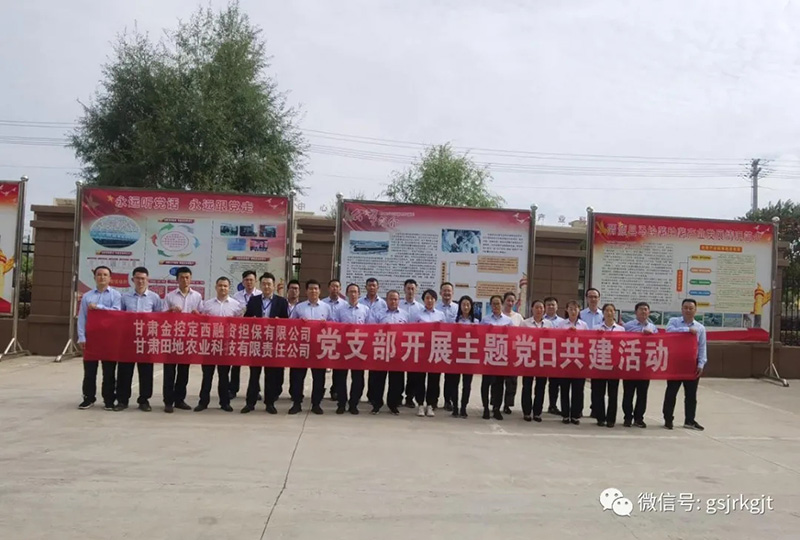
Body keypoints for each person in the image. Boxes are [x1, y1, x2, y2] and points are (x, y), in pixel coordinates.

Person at [240, 272, 290, 414]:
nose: (266, 286)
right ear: (260, 285)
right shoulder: (254, 300)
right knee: (254, 375)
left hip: (272, 343)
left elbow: (287, 321)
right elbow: (246, 318)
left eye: (269, 284)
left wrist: (279, 321)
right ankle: (250, 403)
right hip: (256, 342)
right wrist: (252, 320)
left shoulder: (281, 302)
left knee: (270, 375)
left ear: (273, 286)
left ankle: (270, 403)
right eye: (264, 284)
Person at [116, 266, 162, 412]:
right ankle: (122, 400)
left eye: (143, 278)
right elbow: (118, 317)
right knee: (124, 371)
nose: (140, 281)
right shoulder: (124, 297)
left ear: (148, 280)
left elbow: (159, 318)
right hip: (128, 339)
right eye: (137, 278)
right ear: (133, 280)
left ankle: (144, 400)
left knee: (146, 371)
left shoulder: (154, 298)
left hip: (146, 340)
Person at [195, 277, 244, 412]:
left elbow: (239, 325)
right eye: (220, 285)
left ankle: (225, 402)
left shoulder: (236, 305)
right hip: (210, 344)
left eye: (225, 286)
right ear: (216, 287)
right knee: (207, 375)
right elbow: (202, 323)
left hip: (226, 345)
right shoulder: (207, 304)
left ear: (229, 288)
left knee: (224, 376)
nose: (223, 288)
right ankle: (203, 402)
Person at [77, 265, 122, 410]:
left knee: (109, 371)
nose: (102, 277)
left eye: (105, 275)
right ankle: (88, 398)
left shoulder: (116, 295)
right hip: (91, 338)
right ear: (94, 277)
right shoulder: (87, 296)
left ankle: (109, 399)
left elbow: (117, 313)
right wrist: (81, 337)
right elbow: (82, 317)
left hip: (109, 339)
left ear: (110, 278)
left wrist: (99, 307)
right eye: (99, 274)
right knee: (90, 371)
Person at [162, 267, 203, 413]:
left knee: (183, 371)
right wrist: (171, 311)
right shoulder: (170, 296)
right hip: (172, 338)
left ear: (190, 279)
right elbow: (161, 316)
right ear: (177, 279)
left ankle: (179, 399)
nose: (184, 280)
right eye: (181, 277)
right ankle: (168, 401)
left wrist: (197, 314)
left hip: (188, 339)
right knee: (169, 371)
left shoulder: (197, 296)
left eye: (187, 277)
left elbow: (202, 317)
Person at [289, 279, 333, 414]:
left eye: (316, 289)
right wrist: (299, 323)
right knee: (297, 377)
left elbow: (334, 325)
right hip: (302, 348)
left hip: (319, 348)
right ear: (306, 291)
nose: (313, 291)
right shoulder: (299, 307)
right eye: (310, 289)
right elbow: (290, 325)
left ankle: (316, 404)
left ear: (319, 291)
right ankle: (297, 403)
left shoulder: (326, 307)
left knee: (319, 378)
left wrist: (326, 324)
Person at [663, 299, 707, 431]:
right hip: (675, 364)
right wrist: (687, 330)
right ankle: (668, 419)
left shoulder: (700, 328)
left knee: (691, 395)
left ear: (695, 310)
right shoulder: (674, 322)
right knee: (671, 393)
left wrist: (701, 364)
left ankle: (690, 420)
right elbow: (669, 332)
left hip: (691, 365)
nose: (688, 310)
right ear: (681, 309)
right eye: (685, 307)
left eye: (691, 308)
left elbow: (702, 347)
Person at [367, 290, 408, 415]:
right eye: (391, 299)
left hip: (398, 353)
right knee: (378, 380)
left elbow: (409, 332)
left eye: (395, 299)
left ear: (399, 301)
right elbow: (371, 331)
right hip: (381, 351)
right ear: (386, 300)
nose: (393, 301)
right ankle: (376, 404)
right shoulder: (378, 314)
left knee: (396, 381)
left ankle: (393, 404)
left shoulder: (405, 315)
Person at [332, 283, 370, 414]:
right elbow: (334, 326)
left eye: (355, 292)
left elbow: (370, 328)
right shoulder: (340, 310)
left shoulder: (365, 309)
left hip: (359, 349)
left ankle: (354, 404)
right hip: (343, 348)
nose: (353, 294)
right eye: (351, 292)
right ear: (347, 294)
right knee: (340, 378)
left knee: (358, 379)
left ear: (359, 294)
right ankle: (341, 404)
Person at [409, 289, 446, 417]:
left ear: (435, 300)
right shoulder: (417, 315)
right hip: (421, 351)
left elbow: (444, 332)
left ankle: (430, 405)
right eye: (427, 298)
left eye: (432, 298)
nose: (429, 300)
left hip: (435, 350)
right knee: (420, 379)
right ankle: (420, 404)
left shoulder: (441, 315)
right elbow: (412, 331)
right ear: (423, 300)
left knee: (434, 379)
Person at [622, 302, 658, 428]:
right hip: (630, 364)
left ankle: (639, 418)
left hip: (645, 365)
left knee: (642, 394)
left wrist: (651, 336)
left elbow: (658, 344)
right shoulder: (628, 326)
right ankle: (627, 417)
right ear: (635, 312)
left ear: (649, 312)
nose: (643, 312)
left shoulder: (653, 327)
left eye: (646, 309)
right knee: (628, 393)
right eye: (641, 309)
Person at [591, 303, 624, 428]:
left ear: (614, 313)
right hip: (599, 364)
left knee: (613, 394)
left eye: (611, 311)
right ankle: (600, 418)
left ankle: (611, 419)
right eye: (606, 311)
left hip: (614, 366)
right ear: (603, 313)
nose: (609, 313)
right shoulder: (596, 328)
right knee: (598, 393)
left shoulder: (620, 329)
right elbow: (590, 345)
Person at [444, 295, 478, 418]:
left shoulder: (476, 322)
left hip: (469, 356)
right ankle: (455, 407)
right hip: (456, 356)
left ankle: (463, 407)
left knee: (467, 385)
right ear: (460, 306)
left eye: (468, 305)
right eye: (463, 304)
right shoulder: (454, 321)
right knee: (454, 383)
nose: (466, 307)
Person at [231, 270, 262, 399]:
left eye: (251, 280)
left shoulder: (260, 295)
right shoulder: (236, 296)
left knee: (255, 364)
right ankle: (233, 389)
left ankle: (255, 390)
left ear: (255, 281)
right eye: (246, 280)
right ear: (243, 282)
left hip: (256, 334)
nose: (249, 282)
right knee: (236, 362)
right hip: (240, 333)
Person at [520, 299, 553, 422]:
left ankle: (537, 412)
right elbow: (519, 338)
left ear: (544, 310)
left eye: (541, 308)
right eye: (536, 307)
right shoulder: (525, 323)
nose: (539, 310)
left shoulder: (549, 324)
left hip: (543, 359)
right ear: (532, 309)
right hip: (528, 358)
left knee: (541, 386)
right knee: (527, 386)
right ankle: (527, 412)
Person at [480, 295, 512, 420]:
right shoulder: (485, 320)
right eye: (493, 304)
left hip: (501, 356)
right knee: (486, 383)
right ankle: (485, 408)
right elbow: (480, 336)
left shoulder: (508, 321)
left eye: (498, 303)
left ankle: (496, 408)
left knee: (499, 384)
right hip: (488, 355)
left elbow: (512, 338)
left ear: (502, 305)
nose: (496, 306)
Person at [557, 300, 589, 425]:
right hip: (565, 361)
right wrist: (567, 333)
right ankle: (565, 414)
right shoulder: (561, 324)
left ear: (579, 310)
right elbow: (557, 340)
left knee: (578, 390)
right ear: (566, 310)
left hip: (579, 362)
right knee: (564, 390)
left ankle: (576, 415)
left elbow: (587, 342)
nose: (573, 311)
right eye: (570, 308)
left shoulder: (584, 325)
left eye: (575, 308)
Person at [399, 278, 423, 408]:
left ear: (416, 290)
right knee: (398, 372)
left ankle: (410, 397)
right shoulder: (398, 304)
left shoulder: (420, 307)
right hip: (399, 342)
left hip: (414, 343)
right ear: (404, 289)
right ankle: (398, 396)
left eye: (412, 289)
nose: (410, 291)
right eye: (408, 288)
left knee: (413, 374)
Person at [580, 287, 603, 419]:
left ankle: (595, 409)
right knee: (580, 383)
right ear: (586, 299)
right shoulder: (581, 314)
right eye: (590, 297)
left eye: (595, 297)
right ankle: (578, 409)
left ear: (599, 299)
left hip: (599, 352)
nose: (593, 299)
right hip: (582, 351)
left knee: (597, 384)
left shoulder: (604, 315)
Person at [322, 279, 346, 402]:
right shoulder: (322, 303)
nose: (334, 289)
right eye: (332, 286)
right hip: (324, 338)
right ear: (328, 288)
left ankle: (335, 390)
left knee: (338, 367)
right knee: (322, 365)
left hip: (340, 340)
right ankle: (320, 389)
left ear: (340, 289)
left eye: (337, 286)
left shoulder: (345, 305)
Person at [437, 282, 459, 411]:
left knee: (450, 376)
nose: (446, 293)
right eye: (444, 291)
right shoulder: (435, 307)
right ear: (440, 292)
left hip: (453, 346)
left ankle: (448, 400)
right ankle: (433, 400)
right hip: (437, 344)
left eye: (449, 291)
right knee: (435, 375)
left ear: (452, 293)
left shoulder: (457, 308)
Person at [501, 291, 523, 415]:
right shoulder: (499, 315)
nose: (510, 303)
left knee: (512, 381)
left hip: (514, 353)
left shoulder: (518, 317)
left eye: (512, 301)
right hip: (499, 351)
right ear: (504, 301)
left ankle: (507, 404)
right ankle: (496, 403)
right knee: (497, 380)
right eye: (508, 300)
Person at [543, 296, 563, 415]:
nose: (550, 307)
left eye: (553, 305)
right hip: (542, 355)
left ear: (557, 307)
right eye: (548, 305)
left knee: (555, 383)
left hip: (557, 356)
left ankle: (552, 405)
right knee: (540, 383)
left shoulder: (563, 322)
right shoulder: (540, 320)